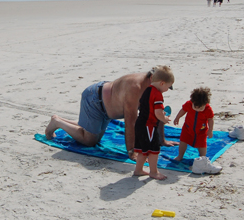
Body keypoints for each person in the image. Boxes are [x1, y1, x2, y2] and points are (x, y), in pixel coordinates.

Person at [45, 67, 175, 159]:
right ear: (154, 78)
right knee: (90, 141)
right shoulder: (136, 88)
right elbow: (130, 122)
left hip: (107, 107)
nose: (166, 91)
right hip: (95, 100)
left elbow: (157, 114)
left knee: (92, 135)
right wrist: (131, 151)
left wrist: (162, 140)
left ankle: (72, 122)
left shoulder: (153, 87)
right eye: (166, 87)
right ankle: (57, 122)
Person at [132, 65, 174, 180]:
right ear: (162, 83)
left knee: (142, 150)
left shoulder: (147, 90)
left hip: (140, 123)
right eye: (168, 87)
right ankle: (154, 172)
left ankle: (138, 170)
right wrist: (164, 119)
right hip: (148, 126)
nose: (167, 90)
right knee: (154, 150)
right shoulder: (157, 94)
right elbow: (158, 112)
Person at [172, 87, 215, 164]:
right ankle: (180, 155)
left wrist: (210, 130)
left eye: (201, 108)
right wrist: (177, 118)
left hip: (201, 130)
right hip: (187, 128)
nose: (197, 109)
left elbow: (210, 119)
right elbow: (183, 110)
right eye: (195, 107)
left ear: (205, 103)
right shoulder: (189, 104)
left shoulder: (208, 109)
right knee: (183, 141)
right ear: (193, 101)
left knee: (202, 144)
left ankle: (203, 158)